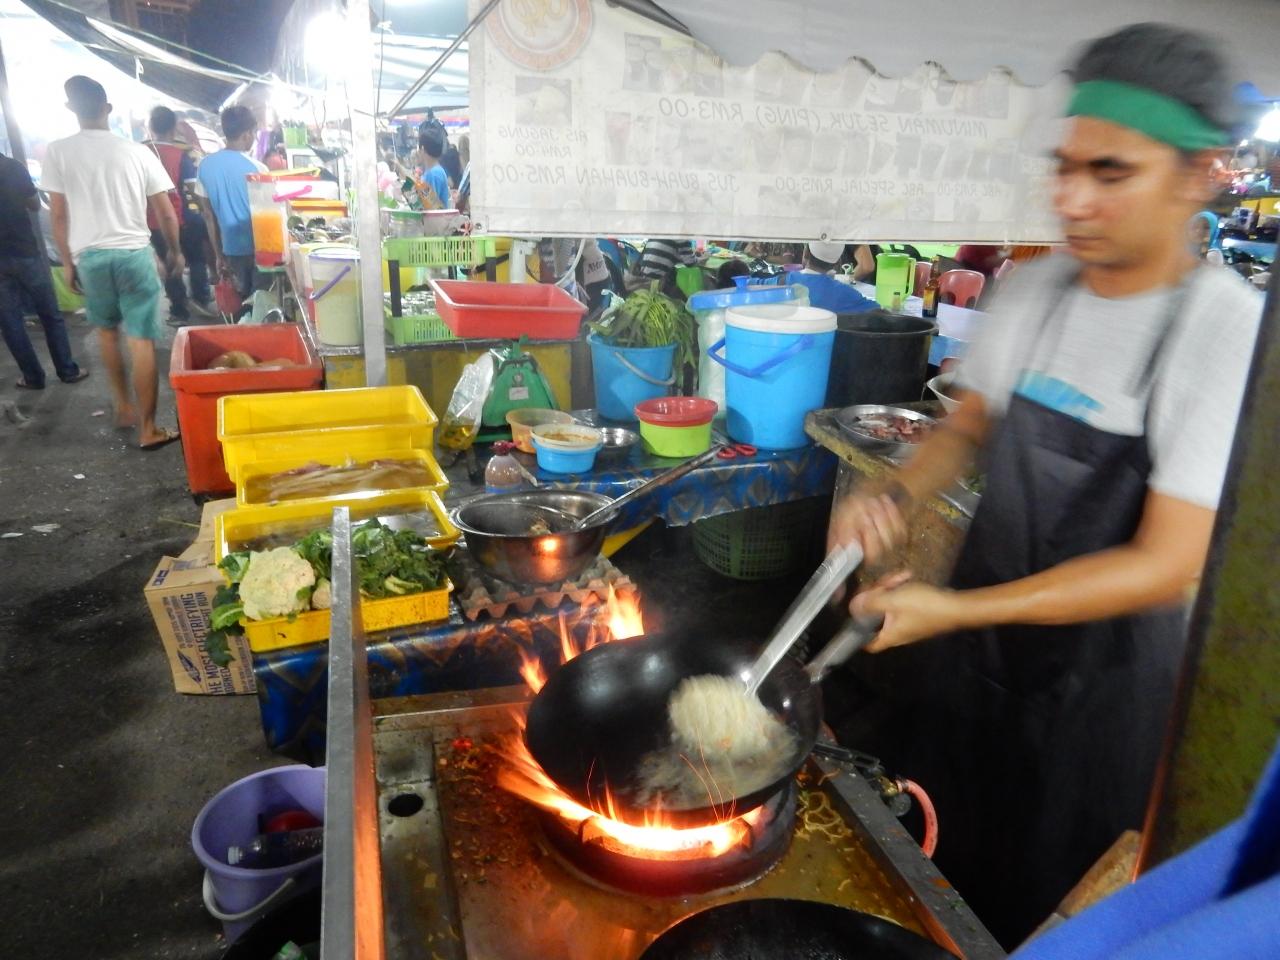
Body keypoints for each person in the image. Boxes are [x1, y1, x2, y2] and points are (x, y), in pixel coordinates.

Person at [829, 24, 1262, 947]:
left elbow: (1165, 562)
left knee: (1041, 904)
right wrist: (893, 498)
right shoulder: (1038, 289)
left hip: (1104, 697)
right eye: (1064, 166)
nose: (1071, 198)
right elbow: (968, 426)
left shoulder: (1224, 331)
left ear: (1198, 175)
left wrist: (956, 610)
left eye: (1111, 172)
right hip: (977, 659)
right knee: (931, 859)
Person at [43, 75, 180, 449]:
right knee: (141, 340)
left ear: (70, 108)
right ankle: (149, 429)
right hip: (134, 254)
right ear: (108, 109)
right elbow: (166, 212)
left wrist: (68, 263)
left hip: (91, 257)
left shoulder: (58, 152)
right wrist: (174, 250)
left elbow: (59, 215)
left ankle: (123, 407)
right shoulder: (137, 152)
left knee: (106, 332)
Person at [0, 151, 86, 389]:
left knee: (10, 323)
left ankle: (33, 378)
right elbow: (35, 204)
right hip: (25, 252)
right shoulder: (12, 167)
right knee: (50, 315)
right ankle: (67, 371)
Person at [145, 105, 209, 324]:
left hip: (154, 220)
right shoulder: (181, 154)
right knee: (196, 258)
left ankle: (179, 310)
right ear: (174, 128)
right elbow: (192, 189)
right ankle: (201, 297)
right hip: (185, 218)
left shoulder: (141, 153)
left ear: (151, 127)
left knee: (170, 262)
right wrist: (204, 213)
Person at [196, 105, 266, 300]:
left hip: (230, 249)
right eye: (254, 133)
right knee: (261, 301)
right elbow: (269, 212)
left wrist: (218, 255)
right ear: (246, 134)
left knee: (240, 301)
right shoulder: (258, 168)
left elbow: (208, 215)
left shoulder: (205, 166)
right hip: (261, 249)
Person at [790, 240, 878, 313]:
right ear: (837, 262)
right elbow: (880, 311)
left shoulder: (784, 280)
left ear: (805, 253)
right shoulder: (844, 293)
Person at [629, 238, 697, 294]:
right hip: (655, 285)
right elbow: (690, 262)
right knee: (684, 294)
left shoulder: (658, 234)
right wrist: (700, 259)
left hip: (641, 281)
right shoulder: (681, 237)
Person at [412, 124, 450, 210]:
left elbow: (431, 206)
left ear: (422, 149)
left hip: (434, 219)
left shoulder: (433, 174)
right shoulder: (433, 171)